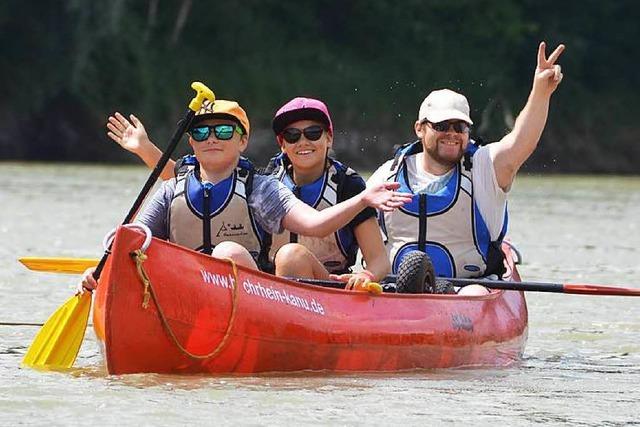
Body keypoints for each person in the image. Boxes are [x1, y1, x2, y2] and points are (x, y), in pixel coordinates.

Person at [81, 98, 411, 291]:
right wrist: (105, 264)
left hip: (282, 293)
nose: (212, 138)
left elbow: (318, 225)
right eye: (201, 132)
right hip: (188, 289)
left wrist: (364, 199)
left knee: (285, 255)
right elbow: (139, 233)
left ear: (242, 142)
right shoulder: (172, 189)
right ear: (191, 143)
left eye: (224, 130)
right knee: (129, 243)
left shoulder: (263, 187)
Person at [367, 41, 565, 295]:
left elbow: (520, 142)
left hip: (468, 291)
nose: (451, 134)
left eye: (459, 127)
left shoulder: (485, 167)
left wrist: (541, 92)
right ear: (419, 128)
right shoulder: (388, 173)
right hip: (395, 290)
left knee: (475, 294)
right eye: (441, 126)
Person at [263, 97, 390, 289]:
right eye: (292, 135)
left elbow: (379, 260)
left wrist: (366, 275)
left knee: (292, 256)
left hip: (332, 290)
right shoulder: (266, 183)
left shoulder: (349, 186)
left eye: (313, 133)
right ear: (282, 144)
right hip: (268, 291)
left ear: (329, 138)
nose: (303, 142)